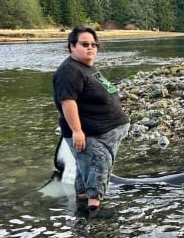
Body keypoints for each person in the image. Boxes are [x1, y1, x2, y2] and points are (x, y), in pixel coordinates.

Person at [52, 26, 130, 218]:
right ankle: (95, 214)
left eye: (94, 44)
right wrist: (77, 131)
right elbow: (67, 102)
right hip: (89, 133)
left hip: (103, 132)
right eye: (84, 44)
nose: (91, 48)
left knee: (84, 169)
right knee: (99, 166)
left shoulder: (86, 66)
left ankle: (80, 202)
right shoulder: (69, 71)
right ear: (72, 46)